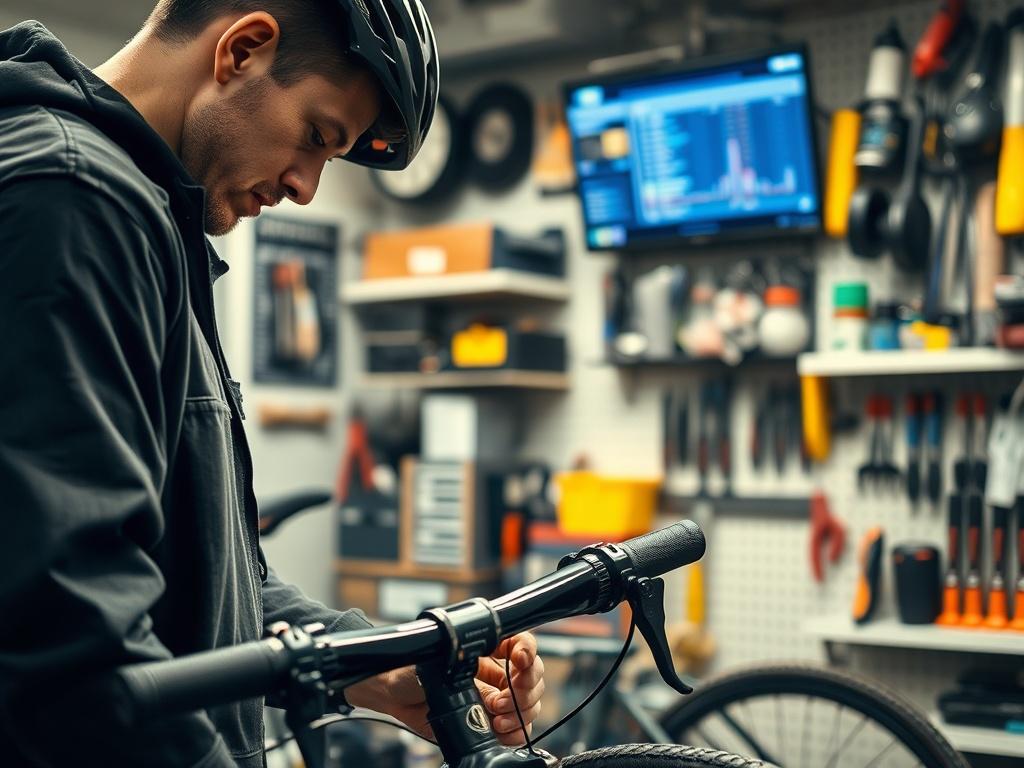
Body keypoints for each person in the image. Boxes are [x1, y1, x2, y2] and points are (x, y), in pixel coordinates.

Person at [0, 2, 545, 766]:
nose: (307, 187)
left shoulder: (147, 219)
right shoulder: (73, 200)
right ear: (243, 50)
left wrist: (375, 666)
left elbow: (208, 582)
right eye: (317, 138)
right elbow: (66, 629)